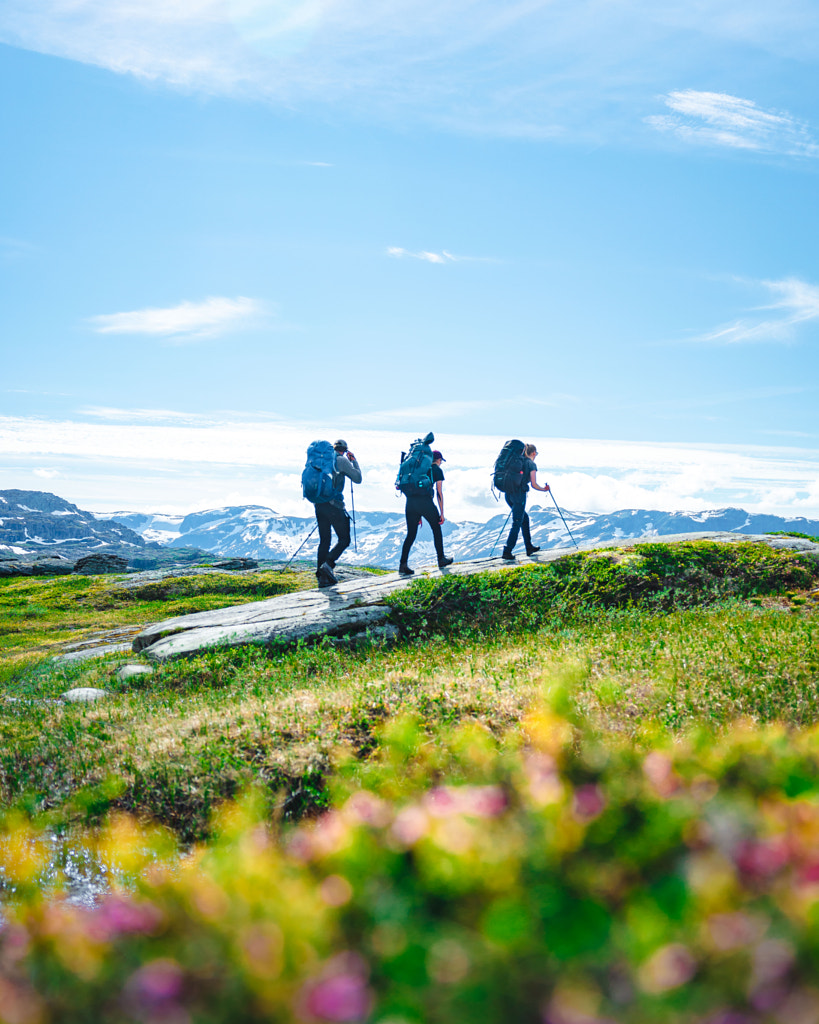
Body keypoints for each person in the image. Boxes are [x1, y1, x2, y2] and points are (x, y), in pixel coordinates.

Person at [398, 449, 454, 576]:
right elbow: (439, 492)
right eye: (441, 461)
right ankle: (441, 559)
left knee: (411, 534)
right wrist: (442, 513)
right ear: (438, 460)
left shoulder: (418, 469)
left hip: (410, 503)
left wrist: (417, 513)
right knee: (436, 528)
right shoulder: (437, 470)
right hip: (426, 503)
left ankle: (403, 565)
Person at [315, 439, 362, 587]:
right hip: (334, 505)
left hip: (319, 504)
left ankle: (322, 578)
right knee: (344, 539)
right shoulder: (341, 460)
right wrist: (354, 462)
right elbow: (358, 478)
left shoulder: (321, 461)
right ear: (345, 450)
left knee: (324, 540)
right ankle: (328, 565)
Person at [501, 443, 548, 561]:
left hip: (508, 494)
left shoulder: (518, 462)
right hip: (519, 495)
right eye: (536, 453)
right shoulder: (531, 464)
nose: (536, 455)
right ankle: (507, 551)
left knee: (524, 519)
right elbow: (534, 484)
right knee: (517, 521)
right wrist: (544, 489)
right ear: (533, 453)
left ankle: (529, 547)